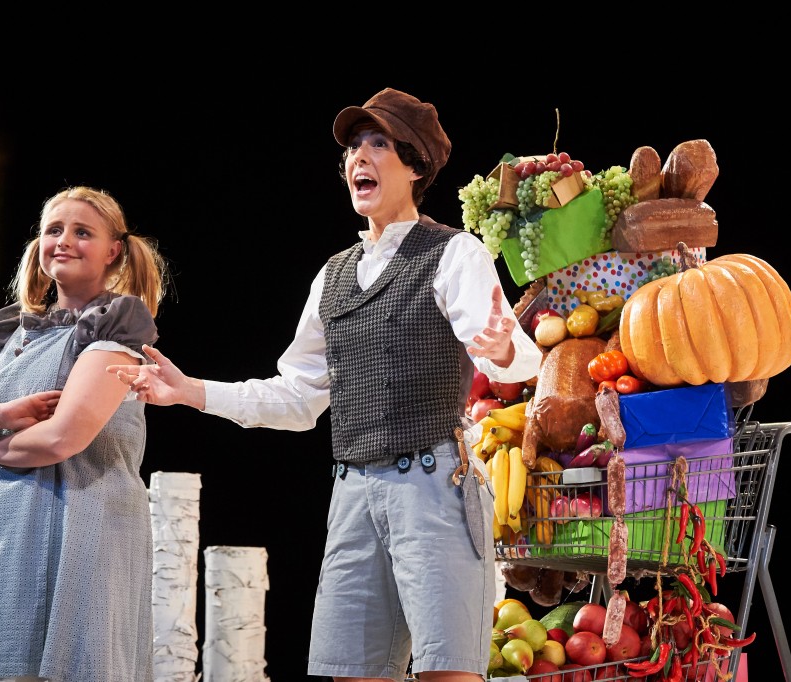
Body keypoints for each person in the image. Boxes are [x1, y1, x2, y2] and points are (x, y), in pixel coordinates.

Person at [107, 88, 543, 681]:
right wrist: (190, 391)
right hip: (353, 492)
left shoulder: (452, 253)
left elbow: (516, 357)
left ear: (414, 166)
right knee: (351, 673)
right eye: (353, 147)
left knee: (448, 671)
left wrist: (502, 350)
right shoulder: (333, 276)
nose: (360, 157)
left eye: (380, 143)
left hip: (434, 486)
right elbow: (296, 397)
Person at [0, 186, 170, 682]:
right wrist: (6, 411)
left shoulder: (115, 330)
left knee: (78, 665)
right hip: (14, 519)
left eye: (82, 232)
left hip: (89, 518)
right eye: (53, 231)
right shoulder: (18, 331)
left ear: (113, 251)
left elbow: (61, 439)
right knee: (9, 663)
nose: (63, 241)